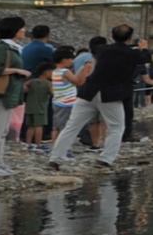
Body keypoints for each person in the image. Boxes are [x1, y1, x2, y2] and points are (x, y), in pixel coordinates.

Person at [53, 25, 147, 165]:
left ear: (112, 37)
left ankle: (56, 157)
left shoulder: (102, 50)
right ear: (130, 38)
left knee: (72, 126)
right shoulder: (132, 53)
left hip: (89, 91)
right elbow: (145, 57)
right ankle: (106, 159)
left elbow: (100, 49)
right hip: (111, 94)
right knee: (116, 127)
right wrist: (143, 47)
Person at [0, 32, 38, 176]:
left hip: (8, 93)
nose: (23, 31)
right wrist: (17, 70)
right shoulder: (2, 47)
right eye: (21, 29)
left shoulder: (11, 47)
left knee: (2, 130)